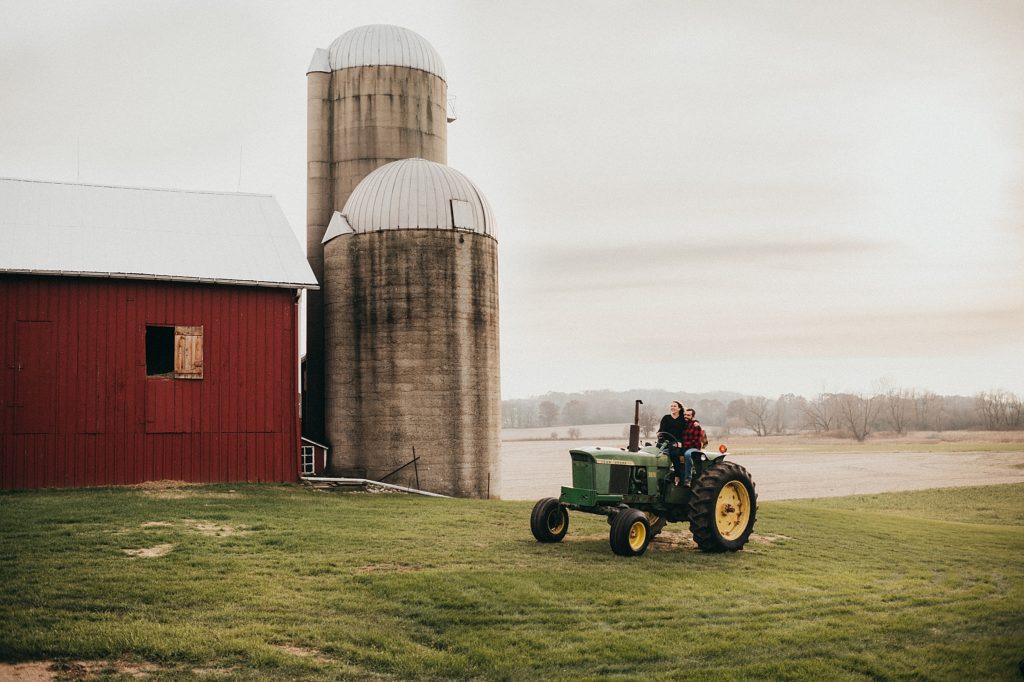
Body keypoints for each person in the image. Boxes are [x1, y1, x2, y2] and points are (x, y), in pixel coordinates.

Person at [658, 401, 688, 486]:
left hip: (677, 441)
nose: (672, 407)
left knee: (674, 452)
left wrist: (681, 442)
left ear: (679, 408)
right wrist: (659, 433)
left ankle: (677, 475)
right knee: (655, 452)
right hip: (665, 440)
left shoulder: (683, 419)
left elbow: (688, 427)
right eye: (671, 406)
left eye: (674, 406)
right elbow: (661, 430)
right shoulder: (666, 418)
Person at [679, 408, 705, 487]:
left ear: (692, 417)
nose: (686, 416)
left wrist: (683, 445)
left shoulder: (696, 426)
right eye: (685, 415)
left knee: (687, 454)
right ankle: (676, 476)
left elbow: (696, 441)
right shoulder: (683, 424)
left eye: (688, 415)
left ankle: (688, 479)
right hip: (684, 446)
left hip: (693, 447)